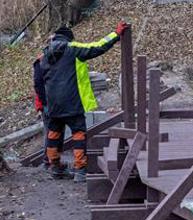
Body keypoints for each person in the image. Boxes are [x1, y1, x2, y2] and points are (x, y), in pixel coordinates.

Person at [40, 22, 129, 182]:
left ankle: (55, 167)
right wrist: (116, 34)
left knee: (53, 134)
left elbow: (40, 79)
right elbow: (97, 47)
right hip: (72, 100)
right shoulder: (72, 48)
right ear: (68, 38)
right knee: (79, 134)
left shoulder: (45, 54)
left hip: (53, 103)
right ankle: (80, 169)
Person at [32, 35, 62, 169]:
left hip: (55, 103)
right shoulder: (41, 62)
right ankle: (48, 161)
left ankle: (52, 161)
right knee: (51, 132)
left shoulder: (56, 60)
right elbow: (38, 85)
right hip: (48, 104)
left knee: (54, 132)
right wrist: (45, 104)